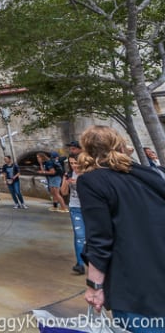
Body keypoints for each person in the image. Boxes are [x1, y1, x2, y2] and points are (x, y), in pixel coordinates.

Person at [77, 126, 165, 332]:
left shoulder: (91, 181)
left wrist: (95, 287)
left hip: (136, 287)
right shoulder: (155, 173)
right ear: (121, 145)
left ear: (87, 150)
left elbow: (99, 238)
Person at [60, 156, 84, 275]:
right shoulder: (69, 174)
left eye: (76, 163)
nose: (74, 165)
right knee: (79, 235)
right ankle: (80, 264)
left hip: (90, 208)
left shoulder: (88, 173)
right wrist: (65, 180)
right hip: (75, 207)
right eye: (71, 163)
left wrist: (79, 183)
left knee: (90, 236)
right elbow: (64, 192)